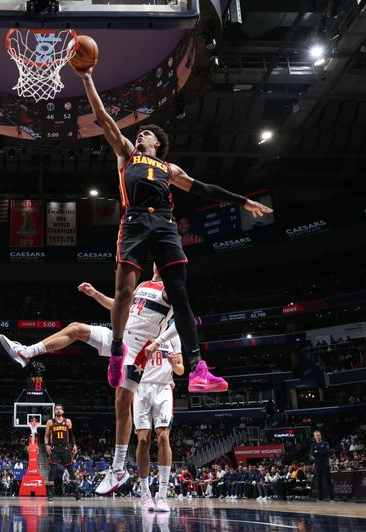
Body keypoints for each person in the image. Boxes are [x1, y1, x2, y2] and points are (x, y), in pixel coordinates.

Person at [72, 64, 272, 396]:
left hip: (164, 223)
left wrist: (241, 201)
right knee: (124, 292)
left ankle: (197, 370)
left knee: (179, 294)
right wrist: (87, 78)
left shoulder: (169, 167)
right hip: (134, 221)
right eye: (140, 133)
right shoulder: (127, 154)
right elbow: (104, 118)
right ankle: (118, 350)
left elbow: (204, 187)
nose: (141, 135)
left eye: (147, 133)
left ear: (158, 143)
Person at [0, 265, 181, 495]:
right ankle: (26, 352)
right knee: (75, 328)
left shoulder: (170, 290)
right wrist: (96, 295)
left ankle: (117, 468)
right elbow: (119, 307)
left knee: (121, 403)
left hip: (138, 350)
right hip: (119, 336)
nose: (157, 261)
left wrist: (158, 341)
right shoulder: (144, 285)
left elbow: (184, 322)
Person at [134, 339, 183, 512]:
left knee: (163, 437)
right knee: (142, 441)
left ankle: (162, 494)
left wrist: (174, 363)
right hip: (141, 388)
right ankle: (145, 492)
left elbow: (180, 369)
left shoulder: (173, 337)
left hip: (164, 388)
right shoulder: (144, 327)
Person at [44, 404, 80, 502]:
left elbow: (71, 435)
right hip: (54, 448)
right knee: (52, 470)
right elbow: (46, 435)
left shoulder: (68, 421)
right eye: (57, 409)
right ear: (54, 411)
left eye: (60, 409)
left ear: (63, 411)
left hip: (65, 448)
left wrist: (75, 445)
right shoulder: (50, 422)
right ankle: (50, 494)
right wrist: (46, 445)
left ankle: (76, 492)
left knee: (71, 470)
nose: (58, 410)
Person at [309, 430, 332, 501]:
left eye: (319, 435)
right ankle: (320, 497)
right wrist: (319, 452)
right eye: (316, 435)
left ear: (321, 435)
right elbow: (312, 454)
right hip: (317, 465)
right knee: (319, 481)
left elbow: (326, 452)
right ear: (314, 437)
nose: (318, 436)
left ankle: (331, 497)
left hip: (325, 464)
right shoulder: (313, 445)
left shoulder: (325, 443)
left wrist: (317, 452)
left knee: (328, 481)